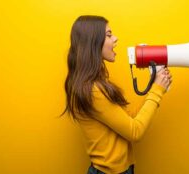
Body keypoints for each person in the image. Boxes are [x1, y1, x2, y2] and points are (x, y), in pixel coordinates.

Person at [61, 15, 172, 174]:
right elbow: (135, 131)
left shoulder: (93, 85)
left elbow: (129, 121)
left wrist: (154, 86)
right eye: (109, 35)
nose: (115, 38)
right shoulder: (92, 90)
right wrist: (157, 90)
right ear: (93, 42)